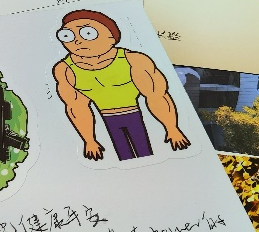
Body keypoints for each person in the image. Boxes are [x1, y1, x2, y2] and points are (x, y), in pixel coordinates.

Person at [52, 10, 190, 161]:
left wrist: (172, 128)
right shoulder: (65, 69)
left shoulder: (134, 60)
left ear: (112, 37)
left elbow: (157, 95)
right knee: (124, 155)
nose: (78, 41)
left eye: (88, 33)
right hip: (108, 119)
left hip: (133, 115)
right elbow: (76, 107)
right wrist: (89, 140)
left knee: (145, 152)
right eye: (67, 35)